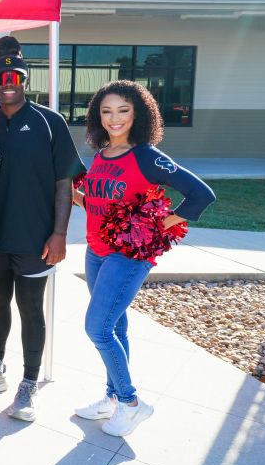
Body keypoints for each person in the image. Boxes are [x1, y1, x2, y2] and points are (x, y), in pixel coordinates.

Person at [73, 80, 214, 437]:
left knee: (97, 328)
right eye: (106, 111)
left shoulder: (147, 156)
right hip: (96, 252)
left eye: (123, 110)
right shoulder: (102, 155)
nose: (114, 118)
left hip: (127, 256)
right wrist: (64, 191)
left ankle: (132, 402)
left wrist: (158, 224)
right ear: (97, 116)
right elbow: (96, 202)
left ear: (139, 114)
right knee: (115, 326)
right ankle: (111, 398)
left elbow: (201, 193)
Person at [0, 52, 85, 422]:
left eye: (16, 76)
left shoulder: (49, 122)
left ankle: (29, 383)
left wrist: (59, 233)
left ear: (25, 81)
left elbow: (64, 182)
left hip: (36, 238)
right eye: (1, 77)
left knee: (31, 309)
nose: (9, 82)